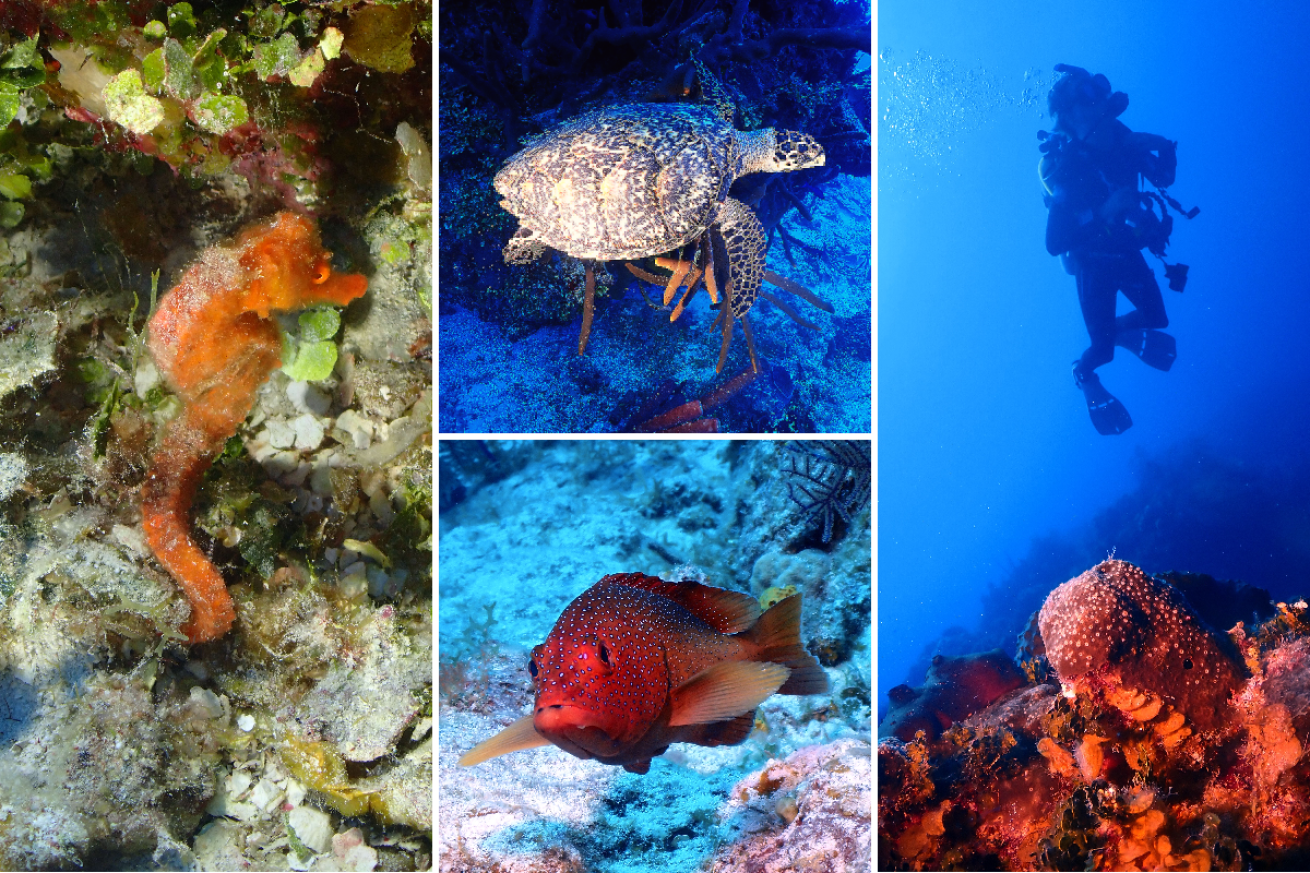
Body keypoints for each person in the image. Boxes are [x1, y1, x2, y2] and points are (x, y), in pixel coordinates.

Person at [1039, 64, 1194, 435]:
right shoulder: (1065, 166)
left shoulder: (1123, 140)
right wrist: (1103, 212)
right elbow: (1055, 243)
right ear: (1071, 113)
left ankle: (1117, 333)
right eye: (1090, 92)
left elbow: (1163, 178)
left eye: (1100, 88)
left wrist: (1165, 148)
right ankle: (1083, 373)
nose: (1102, 96)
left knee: (1158, 318)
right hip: (1091, 263)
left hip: (1124, 250)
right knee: (1102, 352)